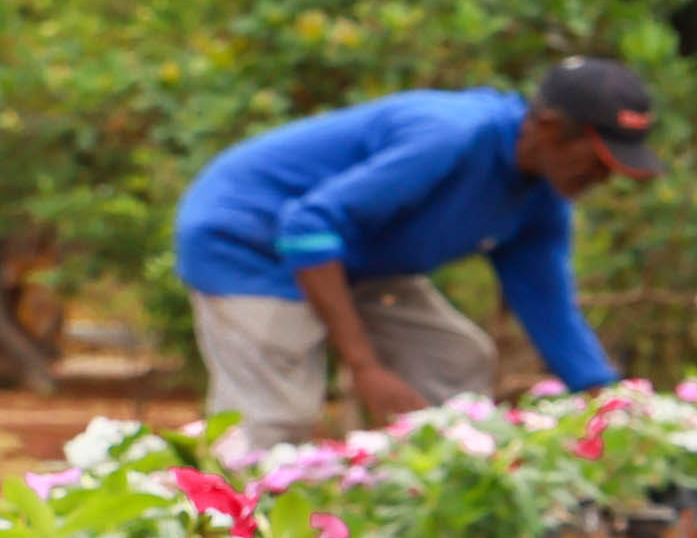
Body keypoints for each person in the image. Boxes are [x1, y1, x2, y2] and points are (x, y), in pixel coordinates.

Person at [175, 59, 660, 445]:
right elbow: (308, 226)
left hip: (350, 256)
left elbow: (550, 308)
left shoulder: (541, 198)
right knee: (279, 418)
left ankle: (410, 502)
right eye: (599, 162)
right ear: (550, 128)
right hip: (248, 240)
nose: (603, 180)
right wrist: (364, 365)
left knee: (456, 359)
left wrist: (610, 405)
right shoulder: (449, 137)